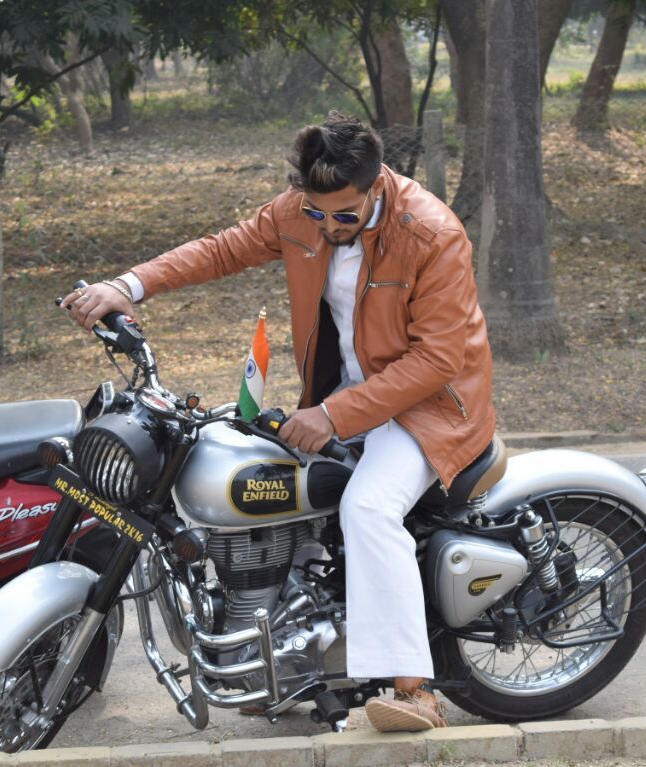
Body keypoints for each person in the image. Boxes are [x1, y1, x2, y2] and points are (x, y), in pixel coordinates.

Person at [61, 113, 496, 731]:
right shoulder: (302, 213)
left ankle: (414, 690)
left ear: (375, 185)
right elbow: (222, 249)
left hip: (430, 409)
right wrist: (128, 286)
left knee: (369, 509)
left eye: (343, 214)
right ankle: (292, 659)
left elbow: (438, 360)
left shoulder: (431, 233)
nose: (328, 226)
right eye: (316, 212)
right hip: (345, 398)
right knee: (270, 487)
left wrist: (333, 414)